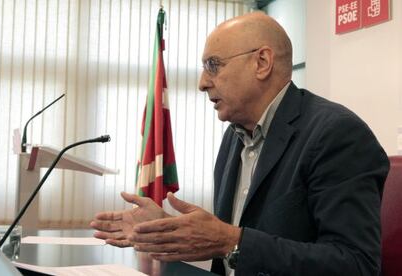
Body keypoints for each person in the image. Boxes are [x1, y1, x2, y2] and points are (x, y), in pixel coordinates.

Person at [90, 11, 389, 276]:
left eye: (213, 65)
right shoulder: (234, 136)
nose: (202, 82)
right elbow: (230, 238)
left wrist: (230, 241)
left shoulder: (336, 134)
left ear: (262, 62)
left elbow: (356, 264)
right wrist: (168, 230)